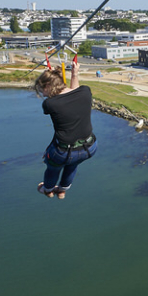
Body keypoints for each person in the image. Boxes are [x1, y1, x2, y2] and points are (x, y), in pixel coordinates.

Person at [34, 58, 96, 200]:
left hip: (63, 152)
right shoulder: (85, 92)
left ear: (49, 86)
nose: (43, 94)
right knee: (72, 164)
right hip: (89, 147)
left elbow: (65, 97)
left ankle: (48, 189)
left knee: (53, 168)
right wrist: (75, 74)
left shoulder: (50, 104)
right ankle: (62, 190)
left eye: (42, 90)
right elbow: (74, 92)